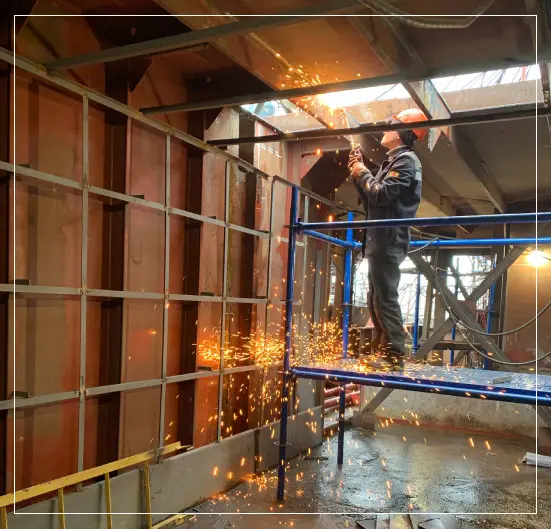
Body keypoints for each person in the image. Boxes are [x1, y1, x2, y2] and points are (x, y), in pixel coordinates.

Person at [348, 108, 429, 367]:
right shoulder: (392, 163)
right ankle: (385, 350)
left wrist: (362, 173)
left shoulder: (407, 161)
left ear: (404, 133)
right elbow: (371, 198)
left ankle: (395, 354)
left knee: (385, 296)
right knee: (376, 297)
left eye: (391, 126)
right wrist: (356, 172)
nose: (385, 130)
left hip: (388, 240)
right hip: (378, 239)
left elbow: (381, 195)